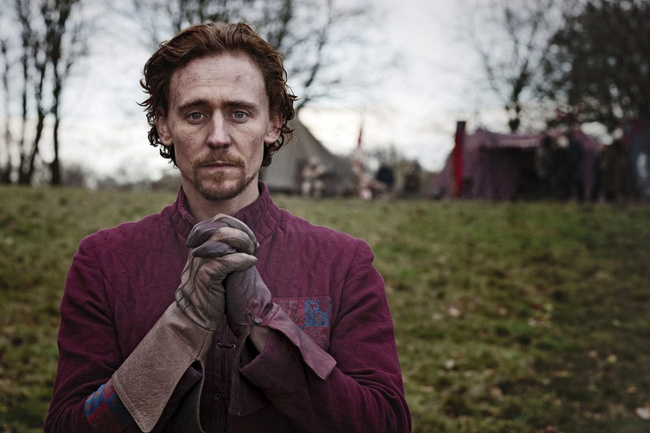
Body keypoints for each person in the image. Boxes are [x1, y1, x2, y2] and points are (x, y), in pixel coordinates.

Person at [44, 22, 411, 433]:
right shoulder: (104, 261)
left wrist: (267, 324)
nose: (218, 137)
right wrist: (179, 329)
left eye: (239, 113)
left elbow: (388, 424)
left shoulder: (343, 263)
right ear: (164, 126)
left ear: (272, 124)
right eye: (195, 114)